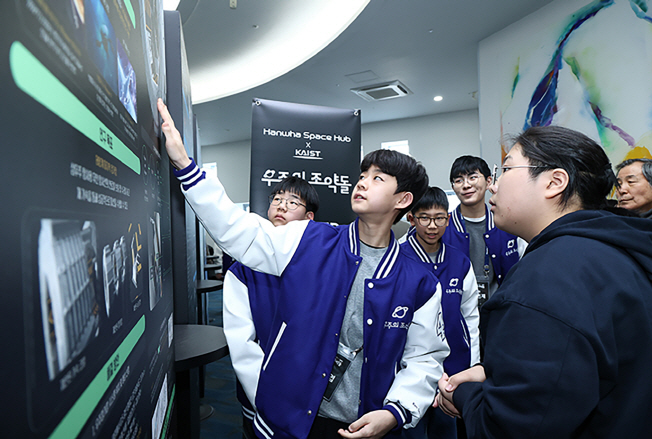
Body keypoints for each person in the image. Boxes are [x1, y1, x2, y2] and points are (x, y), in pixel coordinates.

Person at [157, 99, 449, 439]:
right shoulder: (308, 239)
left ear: (402, 200)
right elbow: (238, 230)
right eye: (362, 176)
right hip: (291, 422)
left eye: (377, 178)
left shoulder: (420, 282)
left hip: (366, 425)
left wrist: (394, 412)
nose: (362, 183)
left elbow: (425, 358)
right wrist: (184, 164)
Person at [436, 125, 652, 438]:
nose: (493, 186)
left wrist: (465, 397)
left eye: (506, 170)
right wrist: (498, 372)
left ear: (554, 182)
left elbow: (508, 429)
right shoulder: (620, 249)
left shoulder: (547, 279)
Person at [224, 176, 320, 439]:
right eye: (277, 199)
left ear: (309, 217)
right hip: (259, 392)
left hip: (311, 393)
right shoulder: (242, 270)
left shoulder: (322, 267)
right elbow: (242, 345)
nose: (281, 205)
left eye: (293, 202)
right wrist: (266, 398)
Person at [398, 187, 479, 439]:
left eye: (439, 218)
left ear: (448, 218)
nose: (432, 226)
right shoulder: (398, 256)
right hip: (408, 368)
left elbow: (470, 317)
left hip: (453, 368)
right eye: (424, 218)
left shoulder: (459, 261)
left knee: (446, 432)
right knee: (411, 430)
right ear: (411, 218)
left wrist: (472, 367)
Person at [442, 156, 523, 309]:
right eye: (458, 180)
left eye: (473, 177)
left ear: (488, 181)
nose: (466, 185)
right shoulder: (442, 227)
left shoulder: (507, 225)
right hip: (456, 314)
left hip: (501, 312)